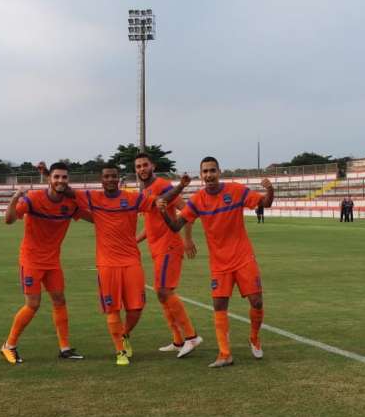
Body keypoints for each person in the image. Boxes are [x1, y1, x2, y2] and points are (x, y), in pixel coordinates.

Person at [158, 156, 274, 368]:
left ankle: (255, 338)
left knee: (257, 302)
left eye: (212, 170)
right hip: (219, 263)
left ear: (219, 172)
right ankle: (224, 353)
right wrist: (163, 211)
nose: (209, 175)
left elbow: (264, 203)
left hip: (243, 257)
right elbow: (176, 226)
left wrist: (270, 190)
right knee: (219, 305)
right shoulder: (198, 200)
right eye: (205, 172)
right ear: (201, 176)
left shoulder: (236, 190)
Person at [73, 164, 189, 366]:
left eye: (113, 176)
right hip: (107, 264)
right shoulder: (93, 197)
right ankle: (120, 351)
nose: (110, 179)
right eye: (106, 176)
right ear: (101, 180)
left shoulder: (133, 198)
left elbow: (160, 201)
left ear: (118, 179)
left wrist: (180, 187)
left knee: (136, 309)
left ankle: (124, 334)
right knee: (113, 309)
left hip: (131, 261)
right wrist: (46, 175)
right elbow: (65, 191)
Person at [0, 163, 85, 365]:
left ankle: (64, 348)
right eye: (57, 177)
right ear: (49, 179)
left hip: (53, 261)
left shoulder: (71, 204)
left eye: (64, 177)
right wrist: (14, 199)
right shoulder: (34, 199)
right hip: (31, 260)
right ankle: (8, 345)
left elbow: (93, 217)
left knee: (59, 301)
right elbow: (9, 220)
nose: (60, 181)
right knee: (33, 304)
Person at [133, 153, 203, 358]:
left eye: (145, 165)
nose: (142, 169)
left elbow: (188, 211)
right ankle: (178, 340)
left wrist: (187, 239)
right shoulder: (145, 190)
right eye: (138, 166)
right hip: (156, 249)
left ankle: (191, 337)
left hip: (169, 247)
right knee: (162, 294)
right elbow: (151, 224)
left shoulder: (163, 185)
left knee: (165, 291)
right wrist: (134, 241)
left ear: (152, 166)